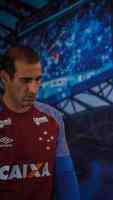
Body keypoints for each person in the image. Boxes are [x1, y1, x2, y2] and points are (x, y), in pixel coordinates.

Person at [0, 45, 80, 200]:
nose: (32, 89)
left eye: (37, 80)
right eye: (25, 80)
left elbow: (65, 177)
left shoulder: (53, 117)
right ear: (5, 78)